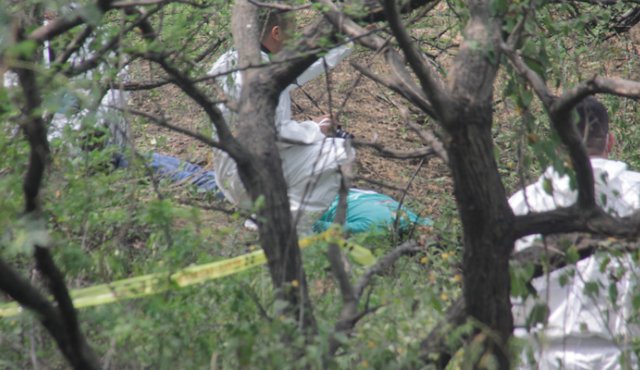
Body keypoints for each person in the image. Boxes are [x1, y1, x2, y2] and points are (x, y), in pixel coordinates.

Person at [509, 97, 640, 369]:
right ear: (611, 142)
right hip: (622, 355)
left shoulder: (524, 204)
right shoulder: (635, 194)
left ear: (556, 147)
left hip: (538, 356)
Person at [208, 10, 355, 230]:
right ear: (276, 33)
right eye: (292, 33)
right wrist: (315, 128)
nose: (294, 40)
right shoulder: (258, 75)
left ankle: (269, 216)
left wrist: (349, 39)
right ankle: (286, 229)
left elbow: (301, 69)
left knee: (319, 146)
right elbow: (272, 134)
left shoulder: (236, 60)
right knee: (339, 154)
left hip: (233, 167)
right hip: (247, 174)